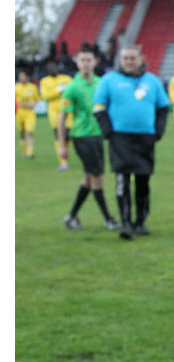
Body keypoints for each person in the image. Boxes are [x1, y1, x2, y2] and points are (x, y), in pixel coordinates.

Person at [93, 45, 170, 240]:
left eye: (132, 58)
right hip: (120, 138)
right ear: (120, 60)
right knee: (122, 181)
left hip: (145, 138)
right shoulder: (109, 80)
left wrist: (158, 132)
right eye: (125, 58)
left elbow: (163, 108)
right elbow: (99, 107)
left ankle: (140, 222)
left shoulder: (152, 81)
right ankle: (125, 223)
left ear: (140, 59)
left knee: (143, 182)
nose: (129, 61)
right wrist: (108, 132)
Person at [59, 45, 119, 231]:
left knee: (88, 178)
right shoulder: (72, 87)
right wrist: (62, 145)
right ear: (77, 63)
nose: (85, 63)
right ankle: (109, 219)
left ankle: (71, 217)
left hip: (98, 135)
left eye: (89, 60)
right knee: (97, 178)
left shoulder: (101, 83)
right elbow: (62, 118)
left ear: (95, 62)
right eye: (82, 60)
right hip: (82, 137)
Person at [40, 61, 74, 170]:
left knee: (68, 134)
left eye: (54, 68)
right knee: (58, 135)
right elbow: (45, 96)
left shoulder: (66, 78)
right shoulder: (44, 81)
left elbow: (73, 90)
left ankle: (65, 154)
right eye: (51, 69)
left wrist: (66, 89)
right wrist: (58, 90)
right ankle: (63, 161)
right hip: (54, 111)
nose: (53, 71)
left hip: (68, 109)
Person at [15, 69, 39, 158]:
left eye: (23, 76)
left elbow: (37, 99)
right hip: (19, 113)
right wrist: (19, 104)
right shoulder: (15, 87)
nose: (21, 78)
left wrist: (33, 104)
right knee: (21, 132)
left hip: (30, 113)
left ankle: (30, 151)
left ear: (27, 77)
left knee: (29, 131)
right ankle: (24, 150)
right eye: (20, 76)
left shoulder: (33, 87)